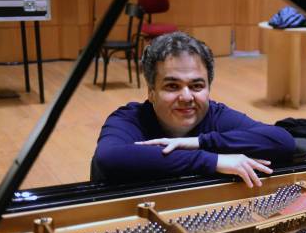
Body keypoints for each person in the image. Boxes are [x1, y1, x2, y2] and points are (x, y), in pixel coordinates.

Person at [93, 32, 295, 187]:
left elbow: (282, 141)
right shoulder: (130, 118)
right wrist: (212, 160)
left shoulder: (216, 115)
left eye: (197, 86)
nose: (187, 97)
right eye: (172, 86)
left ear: (209, 88)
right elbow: (109, 158)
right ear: (151, 92)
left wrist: (198, 142)